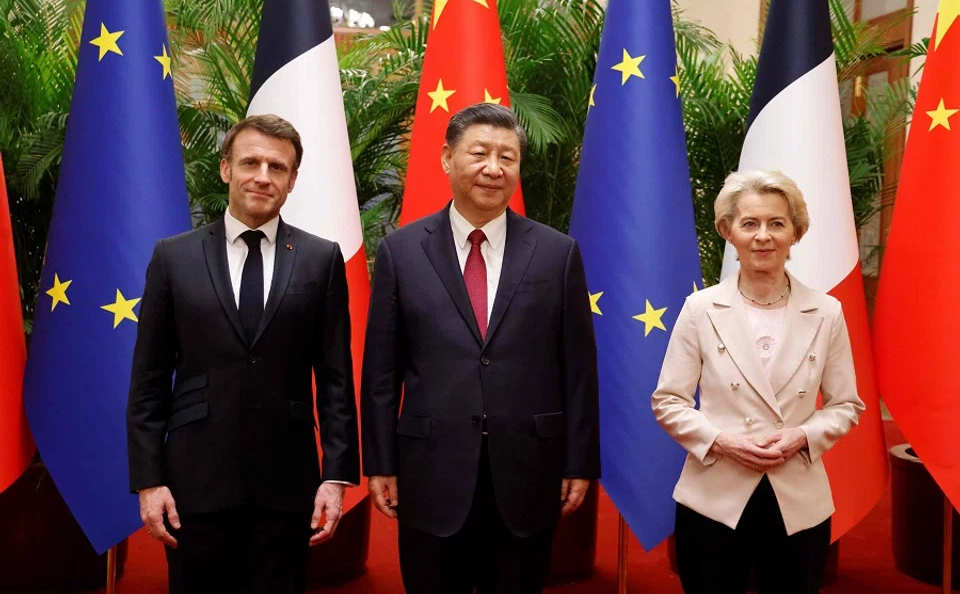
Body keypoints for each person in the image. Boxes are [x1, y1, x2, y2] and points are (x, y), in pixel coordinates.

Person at [360, 103, 600, 594]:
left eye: (507, 157)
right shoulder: (400, 252)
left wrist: (579, 462)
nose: (494, 168)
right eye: (480, 153)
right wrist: (381, 461)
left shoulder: (558, 254)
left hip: (528, 472)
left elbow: (578, 368)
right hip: (430, 472)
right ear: (447, 158)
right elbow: (381, 372)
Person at [126, 114, 360, 594]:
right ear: (225, 169)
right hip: (195, 482)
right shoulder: (174, 257)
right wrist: (149, 481)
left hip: (287, 485)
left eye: (277, 167)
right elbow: (149, 379)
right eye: (250, 162)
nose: (263, 176)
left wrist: (336, 477)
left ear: (293, 180)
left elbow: (336, 380)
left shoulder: (321, 258)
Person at [652, 169, 865, 594]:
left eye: (776, 223)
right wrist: (723, 442)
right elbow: (669, 401)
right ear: (728, 231)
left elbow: (847, 406)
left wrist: (802, 436)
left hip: (797, 499)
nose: (763, 236)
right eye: (750, 223)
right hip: (714, 496)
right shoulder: (700, 309)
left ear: (796, 233)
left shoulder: (827, 313)